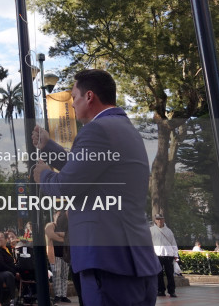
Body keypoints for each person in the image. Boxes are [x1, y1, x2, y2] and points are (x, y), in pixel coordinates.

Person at [32, 69, 160, 306]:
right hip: (134, 260)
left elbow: (66, 187)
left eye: (74, 97)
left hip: (107, 263)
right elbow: (86, 170)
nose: (71, 104)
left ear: (89, 97)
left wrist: (44, 176)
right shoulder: (124, 128)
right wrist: (48, 146)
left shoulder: (96, 130)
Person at [151, 214, 179, 297]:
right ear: (155, 220)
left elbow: (173, 243)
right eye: (158, 219)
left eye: (161, 219)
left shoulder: (169, 231)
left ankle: (172, 291)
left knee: (170, 274)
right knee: (158, 274)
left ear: (164, 220)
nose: (159, 221)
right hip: (157, 255)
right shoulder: (151, 230)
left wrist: (175, 254)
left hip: (168, 255)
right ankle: (160, 291)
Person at [47, 210, 71, 304]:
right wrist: (63, 237)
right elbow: (51, 235)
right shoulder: (51, 226)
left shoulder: (66, 226)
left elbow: (69, 237)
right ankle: (58, 295)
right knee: (56, 275)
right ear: (54, 217)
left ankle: (64, 296)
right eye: (58, 216)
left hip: (65, 255)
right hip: (55, 254)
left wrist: (62, 236)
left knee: (64, 276)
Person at [0, 231, 17, 304]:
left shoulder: (7, 248)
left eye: (2, 237)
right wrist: (14, 271)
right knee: (9, 275)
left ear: (6, 240)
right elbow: (1, 265)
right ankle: (13, 299)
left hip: (9, 271)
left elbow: (11, 262)